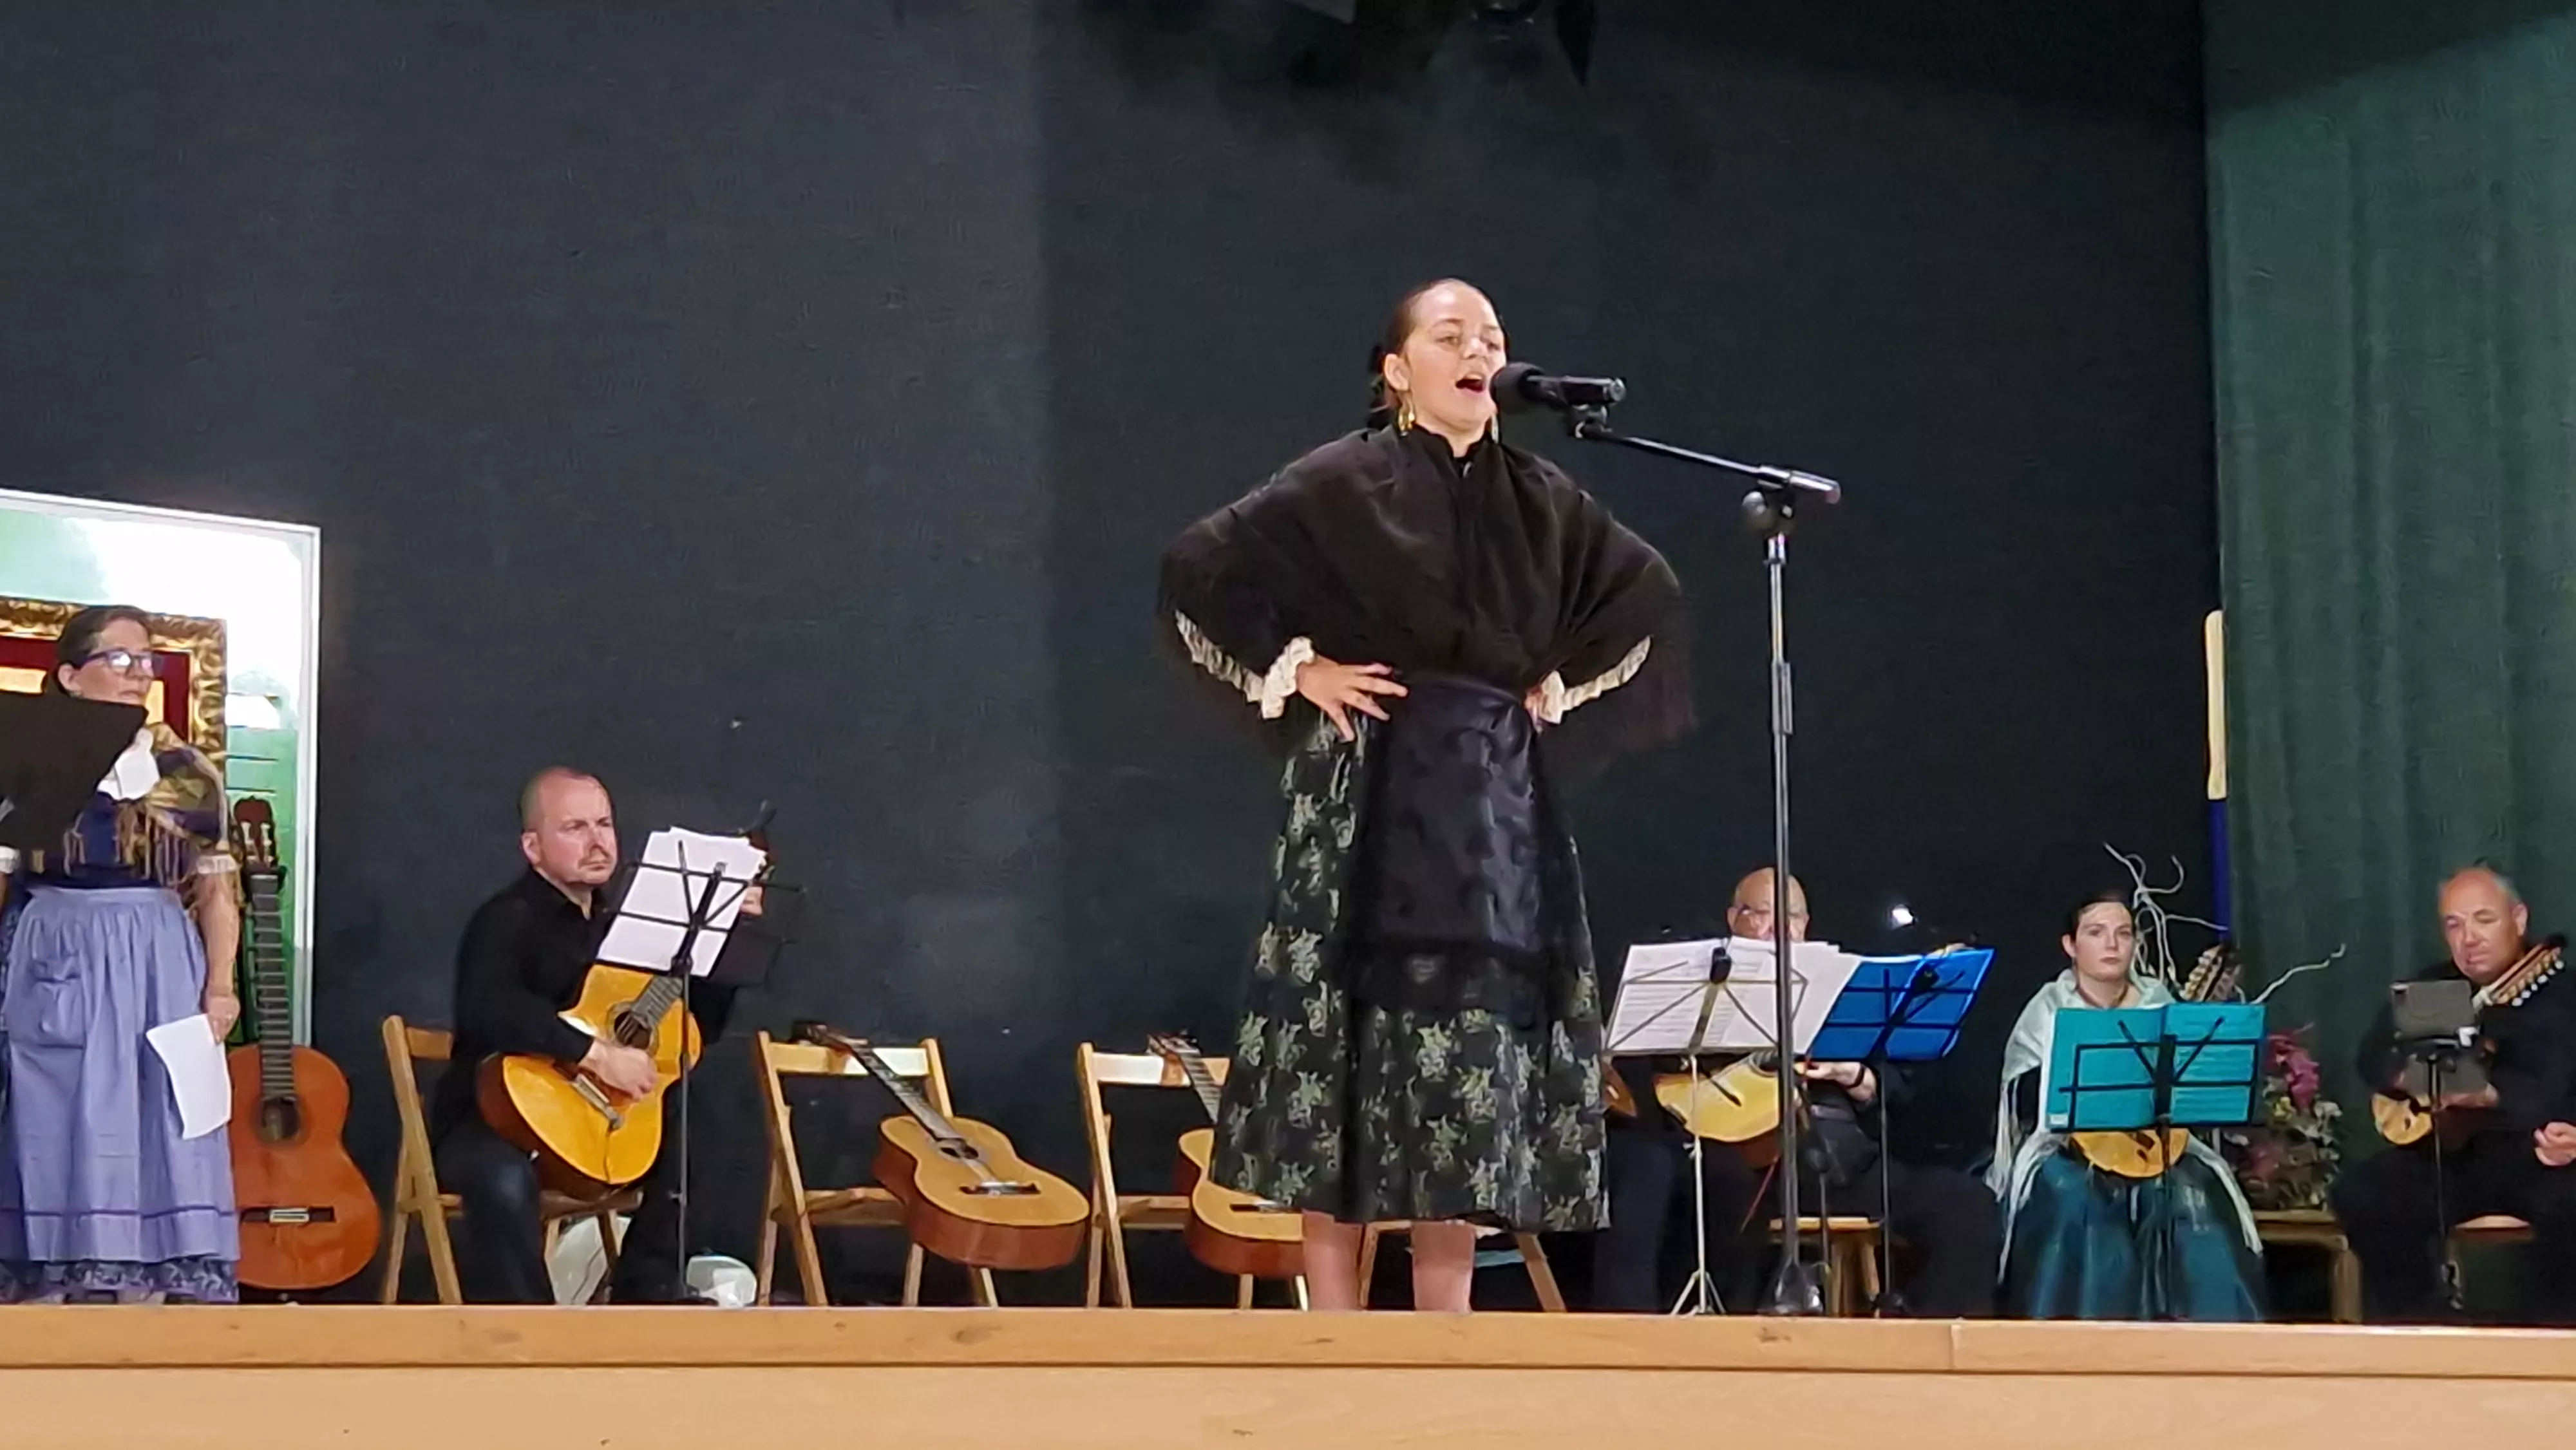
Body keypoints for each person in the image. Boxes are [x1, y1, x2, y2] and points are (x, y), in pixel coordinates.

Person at [1160, 278, 1689, 1310]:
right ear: (1398, 370)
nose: (1477, 349)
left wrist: (1556, 676)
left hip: (1488, 800)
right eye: (1449, 335)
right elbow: (1199, 564)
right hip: (1370, 780)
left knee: (1466, 1064)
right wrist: (1298, 667)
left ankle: (1439, 1348)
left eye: (1490, 336)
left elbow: (1646, 588)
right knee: (1345, 1049)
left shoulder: (1542, 496)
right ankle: (1337, 1339)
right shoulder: (1342, 480)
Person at [1593, 869, 1998, 1315]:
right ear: (1735, 918)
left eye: (1793, 918)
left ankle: (1934, 1345)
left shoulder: (1839, 985)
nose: (1779, 929)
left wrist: (1856, 1077)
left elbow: (1900, 1095)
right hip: (1757, 1165)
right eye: (1763, 915)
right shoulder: (1714, 984)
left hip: (1844, 1164)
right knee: (1721, 1191)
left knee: (1968, 1204)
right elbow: (1656, 1076)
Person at [431, 767, 757, 1303]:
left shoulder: (628, 930)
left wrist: (725, 938)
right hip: (494, 1119)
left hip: (599, 1120)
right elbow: (489, 1007)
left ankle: (646, 1289)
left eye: (604, 824)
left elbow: (697, 1029)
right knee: (503, 1182)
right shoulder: (505, 919)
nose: (598, 841)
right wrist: (595, 1055)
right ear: (532, 848)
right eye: (575, 827)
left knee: (703, 1124)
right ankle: (530, 1340)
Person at [0, 605, 242, 1302]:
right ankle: (58, 1281)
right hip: (59, 948)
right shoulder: (29, 764)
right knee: (59, 1110)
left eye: (147, 662)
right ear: (72, 676)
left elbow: (217, 889)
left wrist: (220, 988)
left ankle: (159, 1284)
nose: (139, 675)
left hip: (158, 955)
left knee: (161, 1106)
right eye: (121, 660)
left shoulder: (185, 770)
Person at [1989, 892, 2263, 1320]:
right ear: (2071, 945)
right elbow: (2022, 1095)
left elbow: (2192, 1087)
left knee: (2192, 1202)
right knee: (2077, 1203)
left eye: (2123, 934)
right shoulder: (2048, 1009)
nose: (2112, 944)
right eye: (2096, 933)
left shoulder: (2160, 1002)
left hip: (2157, 1146)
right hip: (2066, 1149)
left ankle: (2213, 1345)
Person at [2331, 866, 2576, 1324]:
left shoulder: (2564, 995)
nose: (2470, 937)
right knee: (2365, 1193)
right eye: (2454, 924)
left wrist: (2490, 1095)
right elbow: (2374, 1057)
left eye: (2484, 920)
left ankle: (2555, 1347)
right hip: (2457, 1156)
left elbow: (2549, 1089)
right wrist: (2416, 1079)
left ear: (2518, 920)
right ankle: (2423, 1327)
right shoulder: (2442, 989)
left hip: (2546, 1158)